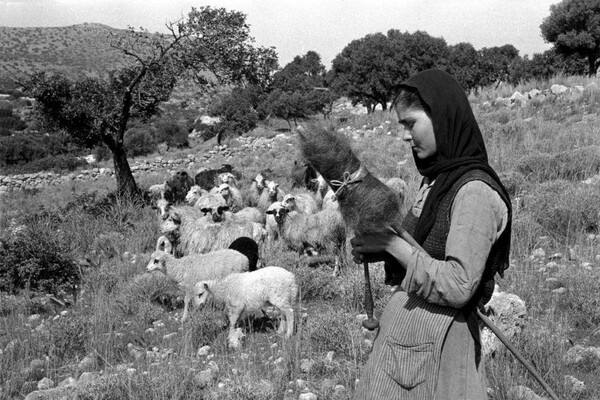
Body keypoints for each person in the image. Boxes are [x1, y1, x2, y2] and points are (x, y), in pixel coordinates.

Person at [350, 69, 512, 399]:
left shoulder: (475, 192)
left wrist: (392, 245)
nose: (405, 136)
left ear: (441, 117)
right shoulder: (438, 180)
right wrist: (379, 248)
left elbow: (457, 285)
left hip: (441, 347)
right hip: (410, 344)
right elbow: (421, 249)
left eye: (410, 123)